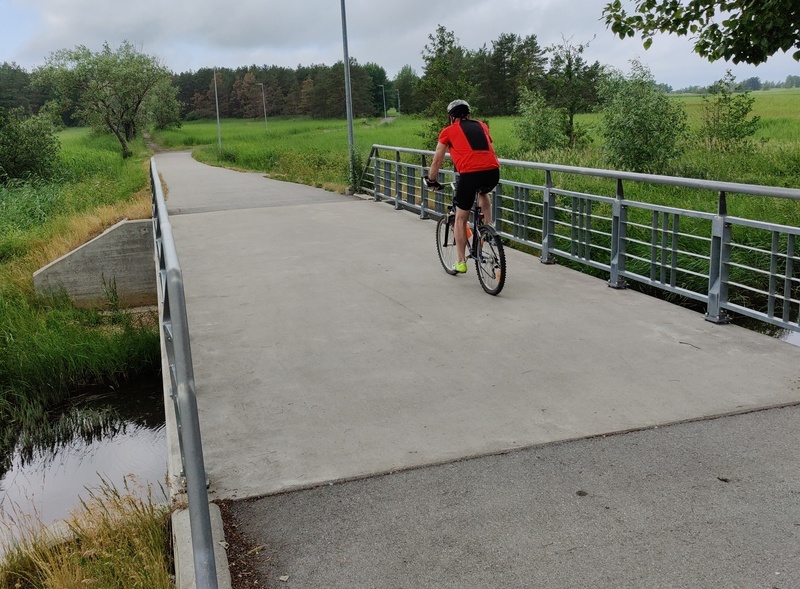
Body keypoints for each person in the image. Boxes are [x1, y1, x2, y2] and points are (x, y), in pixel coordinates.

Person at [424, 99, 500, 274]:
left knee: (460, 218)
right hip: (493, 172)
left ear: (451, 117)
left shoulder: (448, 132)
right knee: (482, 192)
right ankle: (489, 229)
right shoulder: (482, 125)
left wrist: (431, 179)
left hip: (470, 175)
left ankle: (460, 262)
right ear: (469, 115)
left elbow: (437, 159)